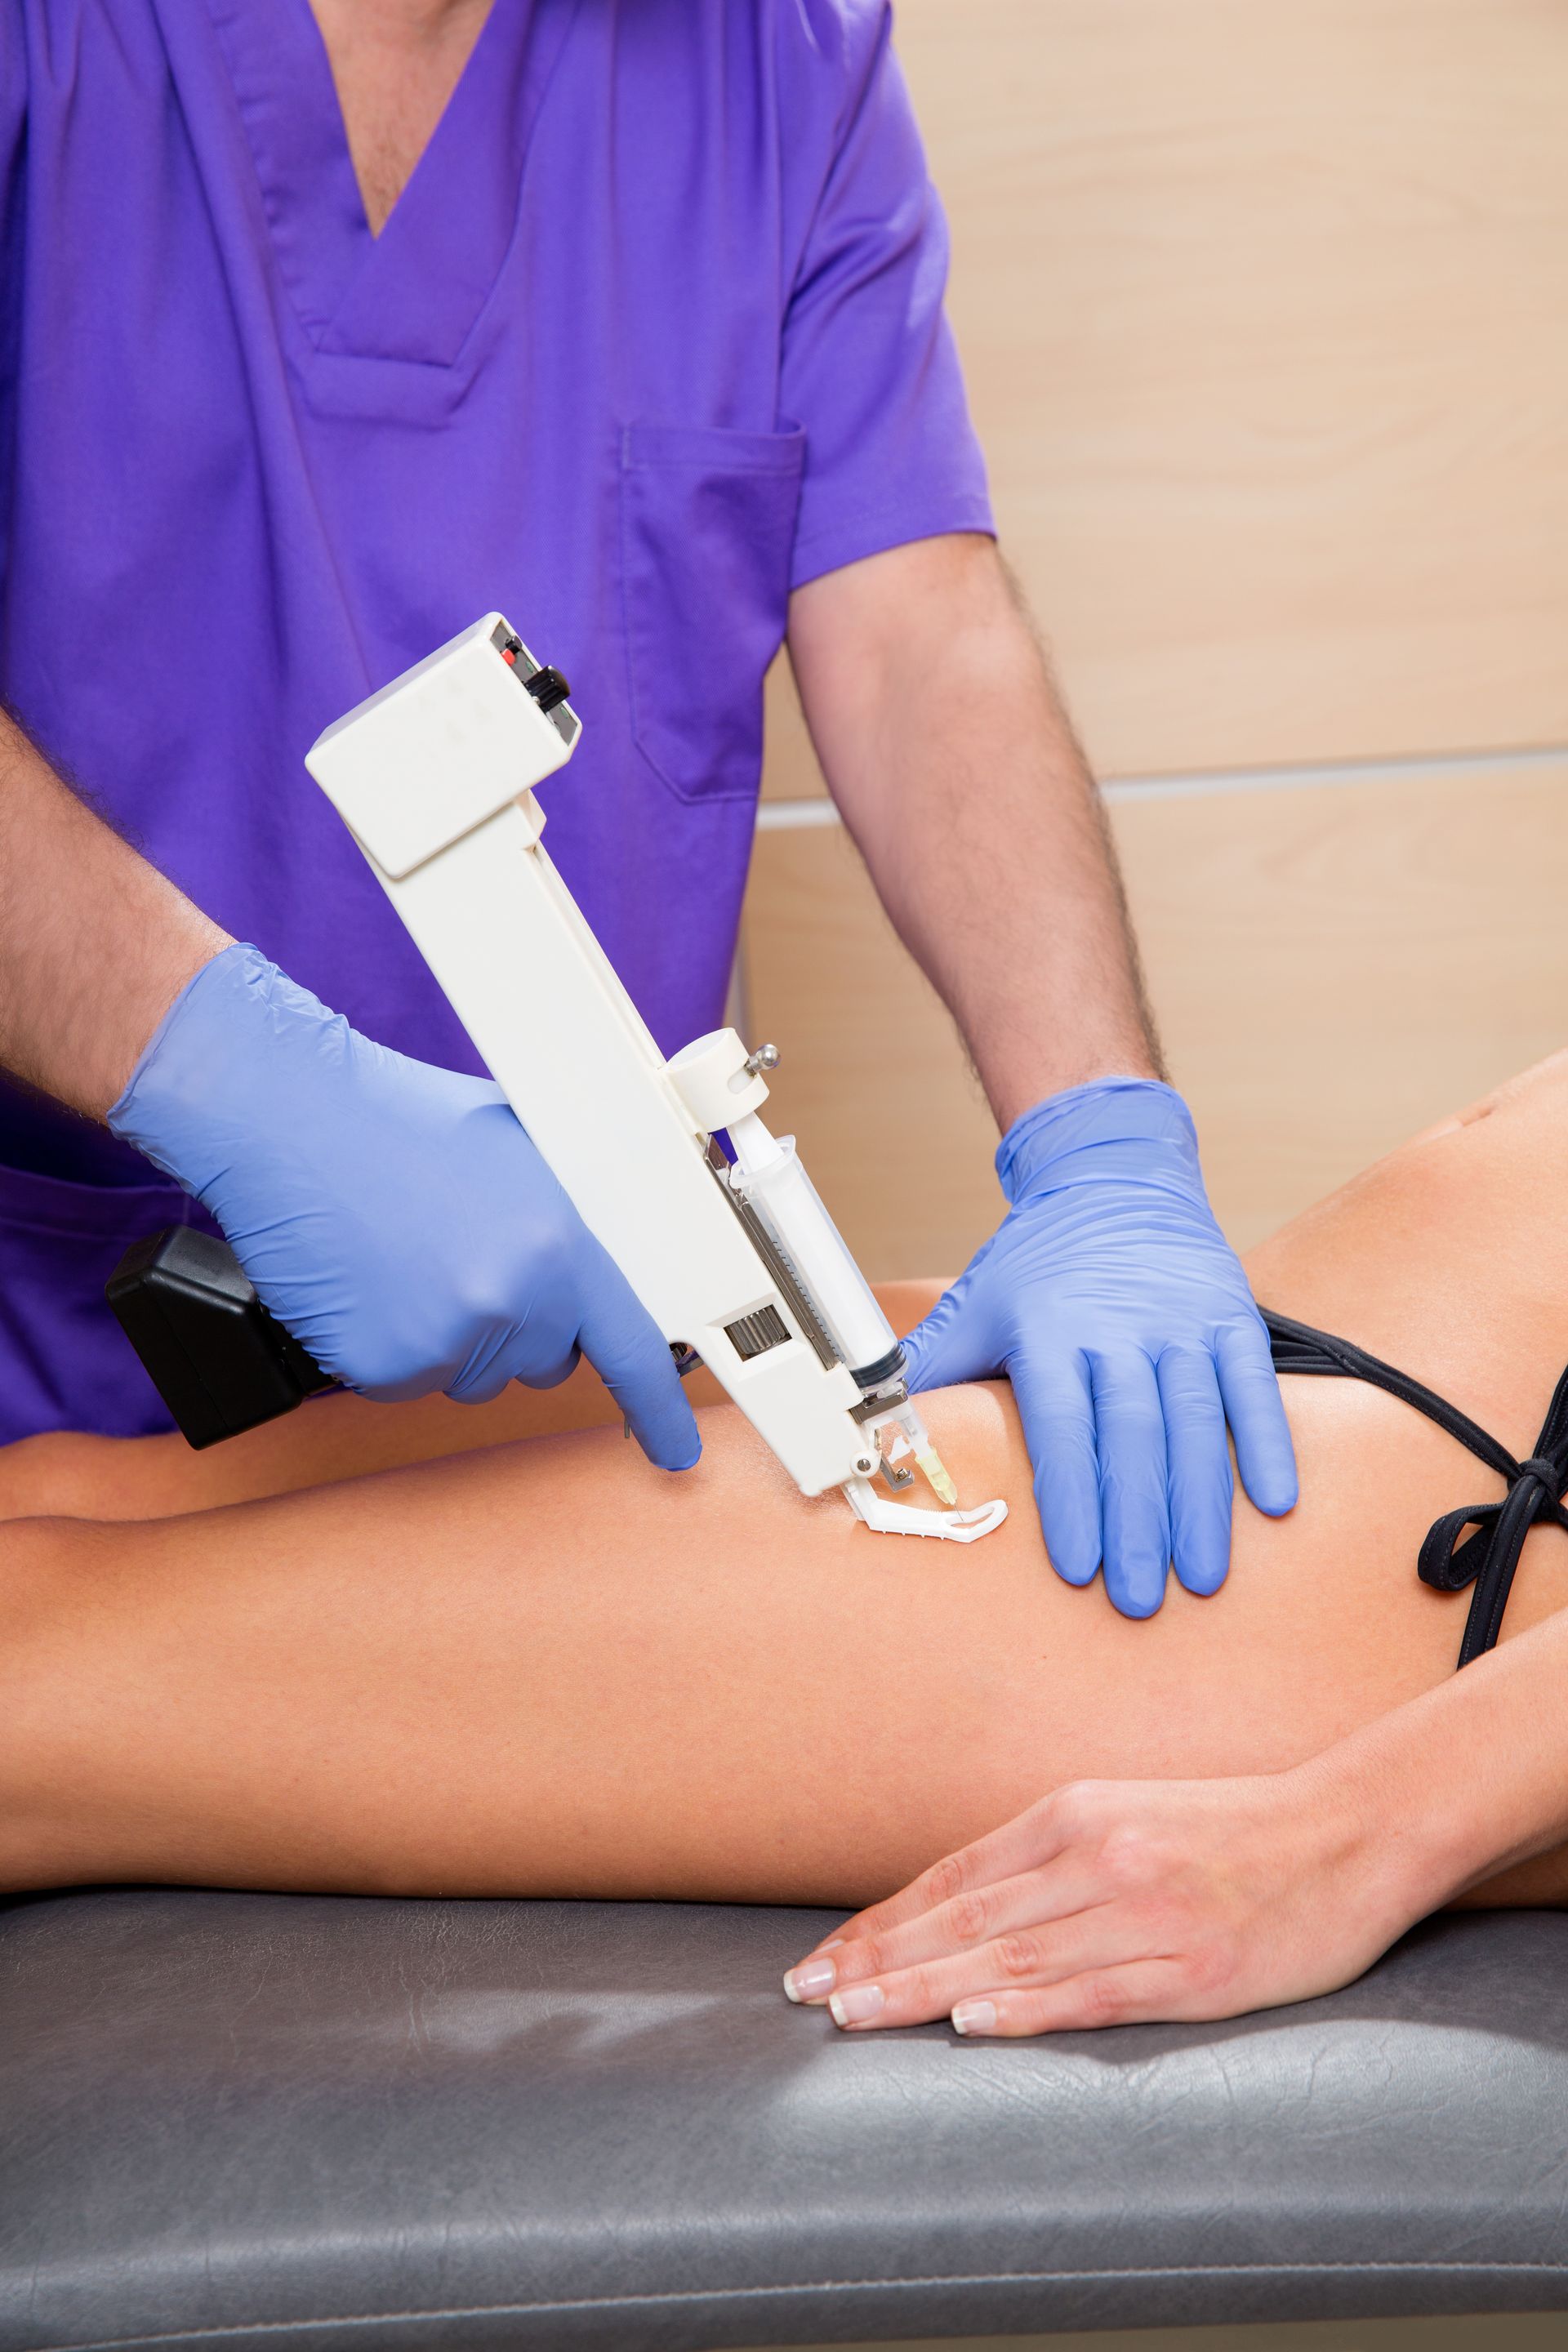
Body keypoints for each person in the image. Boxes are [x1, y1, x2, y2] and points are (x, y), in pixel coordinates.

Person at [0, 0, 1297, 1615]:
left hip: (576, 1407)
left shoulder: (776, 58)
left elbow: (917, 638)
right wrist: (236, 1076)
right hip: (58, 1356)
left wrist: (1100, 1139)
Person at [6, 1051, 1568, 2040]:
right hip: (1226, 1363)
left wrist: (1360, 1834)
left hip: (1341, 1569)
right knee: (77, 1493)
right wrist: (1106, 1159)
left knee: (45, 1678)